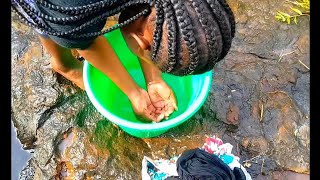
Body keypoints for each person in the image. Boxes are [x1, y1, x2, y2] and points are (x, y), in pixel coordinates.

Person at [11, 0, 235, 122]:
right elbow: (85, 42)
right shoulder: (70, 12)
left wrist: (153, 80)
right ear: (140, 43)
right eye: (156, 62)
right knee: (48, 19)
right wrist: (134, 92)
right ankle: (64, 65)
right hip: (59, 9)